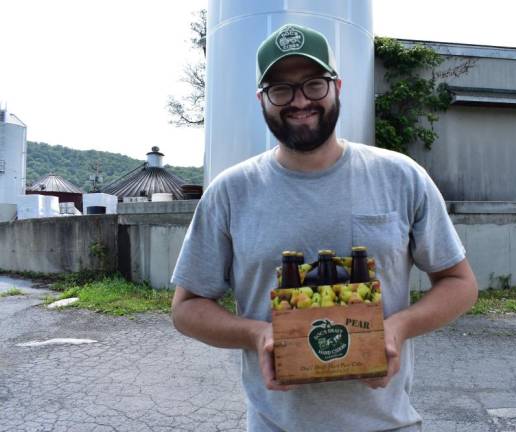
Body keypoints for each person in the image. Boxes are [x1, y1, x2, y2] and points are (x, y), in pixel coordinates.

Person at [171, 23, 478, 432]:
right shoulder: (230, 192)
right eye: (281, 89)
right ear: (261, 99)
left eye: (314, 84)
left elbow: (459, 282)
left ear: (337, 86)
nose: (299, 102)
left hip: (388, 424)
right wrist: (256, 333)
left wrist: (397, 328)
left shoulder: (400, 177)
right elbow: (186, 307)